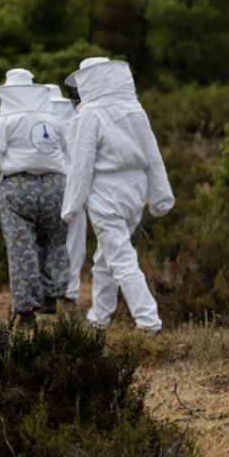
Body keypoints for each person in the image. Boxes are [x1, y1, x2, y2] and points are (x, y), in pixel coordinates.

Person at [60, 57, 172, 333]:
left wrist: (71, 206)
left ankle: (149, 322)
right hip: (135, 191)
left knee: (121, 258)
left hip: (105, 192)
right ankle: (99, 316)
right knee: (105, 257)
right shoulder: (135, 109)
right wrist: (160, 195)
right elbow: (152, 155)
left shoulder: (89, 114)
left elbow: (81, 164)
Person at [0, 68, 70, 324]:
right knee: (54, 240)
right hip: (55, 186)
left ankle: (26, 311)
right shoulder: (54, 121)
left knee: (21, 248)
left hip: (17, 188)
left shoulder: (4, 122)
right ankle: (52, 295)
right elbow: (68, 153)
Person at [47, 83, 87, 307]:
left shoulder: (36, 119)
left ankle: (47, 293)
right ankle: (69, 295)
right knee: (73, 241)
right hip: (74, 183)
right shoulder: (77, 117)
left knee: (46, 241)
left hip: (46, 184)